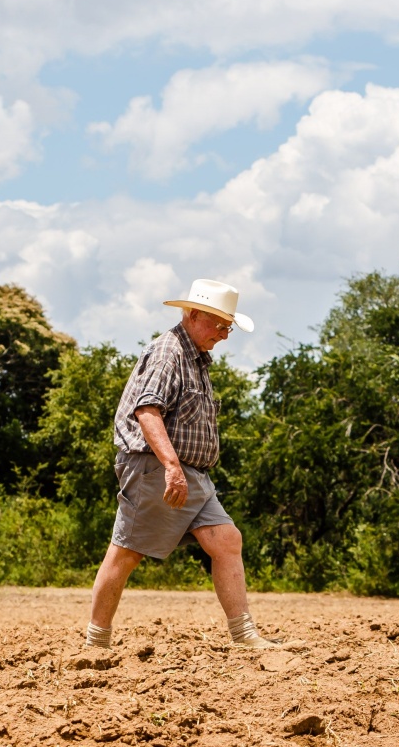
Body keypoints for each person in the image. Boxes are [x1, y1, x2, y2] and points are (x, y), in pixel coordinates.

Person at [83, 279, 281, 652]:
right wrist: (171, 467)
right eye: (219, 326)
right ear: (192, 315)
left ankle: (244, 635)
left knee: (226, 540)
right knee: (127, 551)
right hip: (157, 469)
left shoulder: (196, 359)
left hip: (192, 474)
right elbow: (147, 410)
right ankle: (96, 643)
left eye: (229, 328)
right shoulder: (167, 352)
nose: (224, 335)